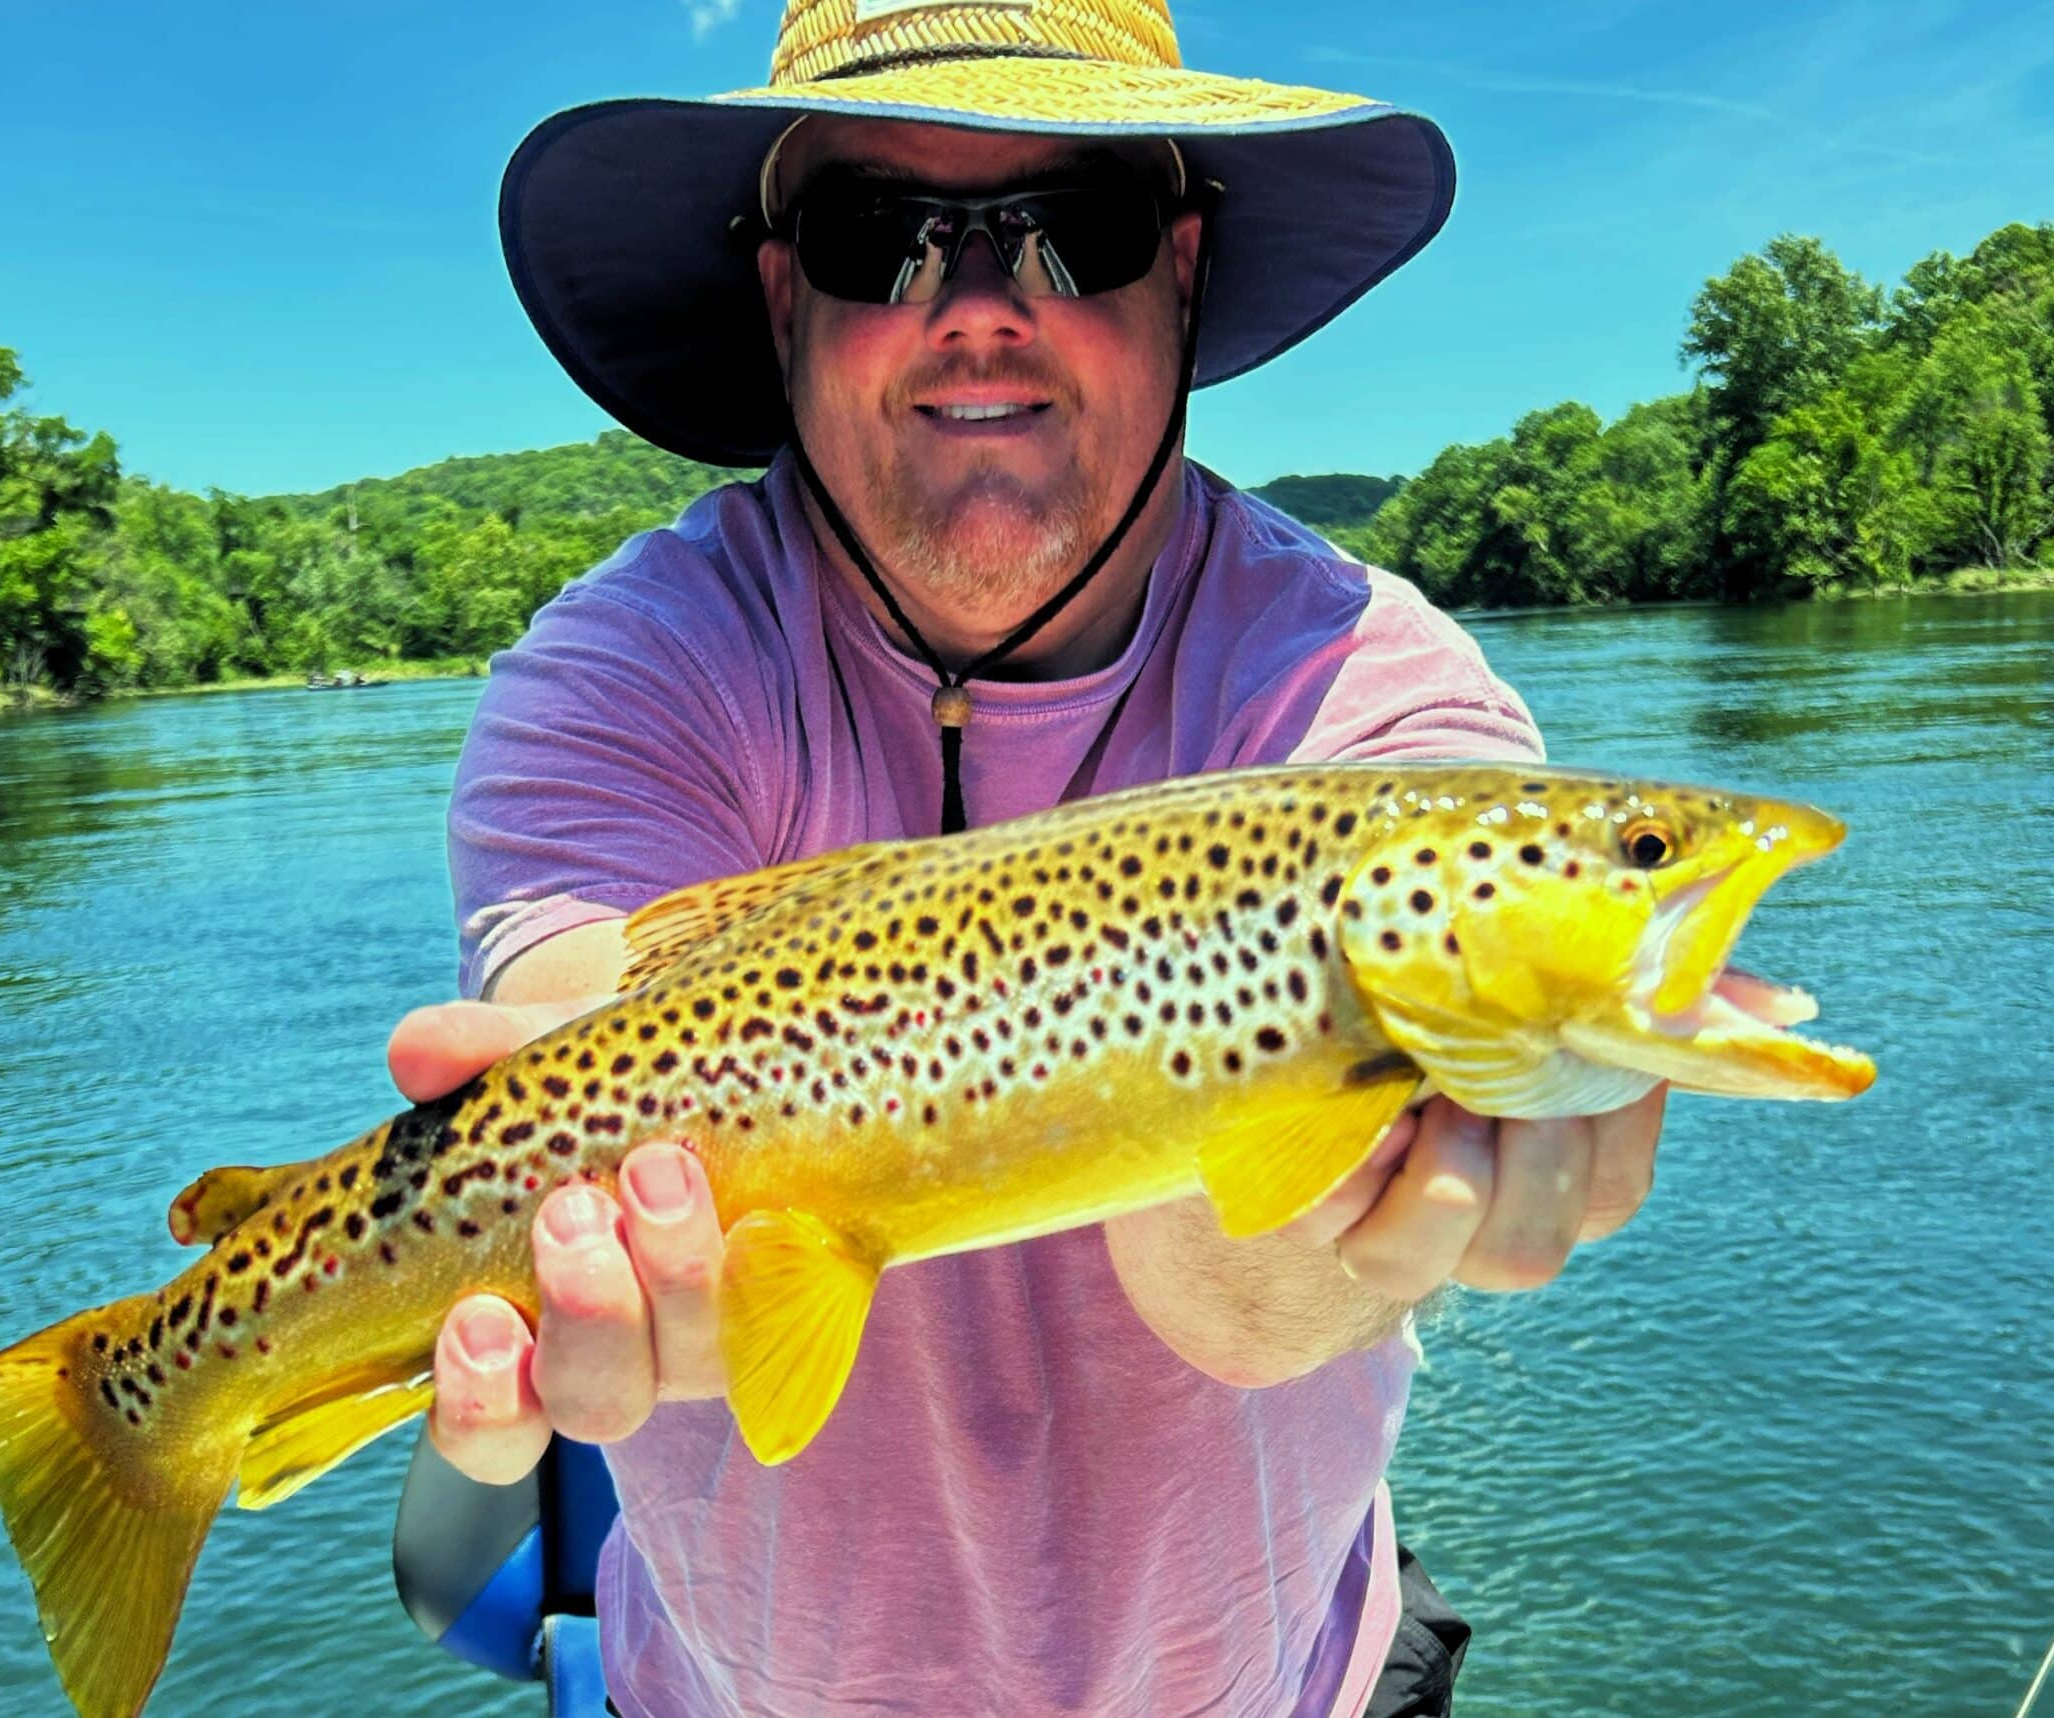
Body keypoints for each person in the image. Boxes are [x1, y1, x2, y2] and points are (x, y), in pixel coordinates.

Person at [386, 3, 1667, 1712]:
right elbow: (584, 1042)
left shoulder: (1374, 697)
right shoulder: (624, 674)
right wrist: (615, 1219)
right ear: (786, 298)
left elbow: (1253, 1309)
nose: (983, 304)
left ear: (1183, 275)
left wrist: (1384, 1170)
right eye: (877, 235)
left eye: (1082, 225)